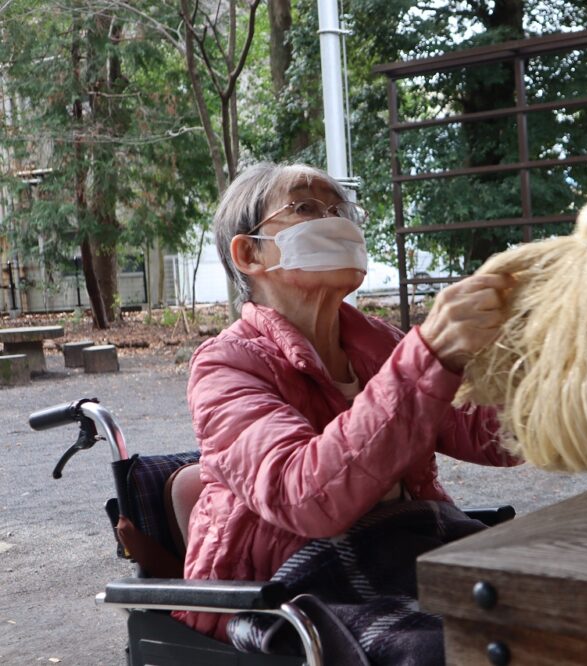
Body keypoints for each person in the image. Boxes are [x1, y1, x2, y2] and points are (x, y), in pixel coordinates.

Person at [175, 162, 519, 643]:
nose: (336, 220)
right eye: (305, 207)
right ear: (249, 253)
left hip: (404, 551)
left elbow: (490, 435)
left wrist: (552, 365)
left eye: (341, 209)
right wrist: (431, 356)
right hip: (288, 590)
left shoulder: (380, 345)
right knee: (463, 647)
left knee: (546, 606)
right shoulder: (224, 365)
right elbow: (307, 496)